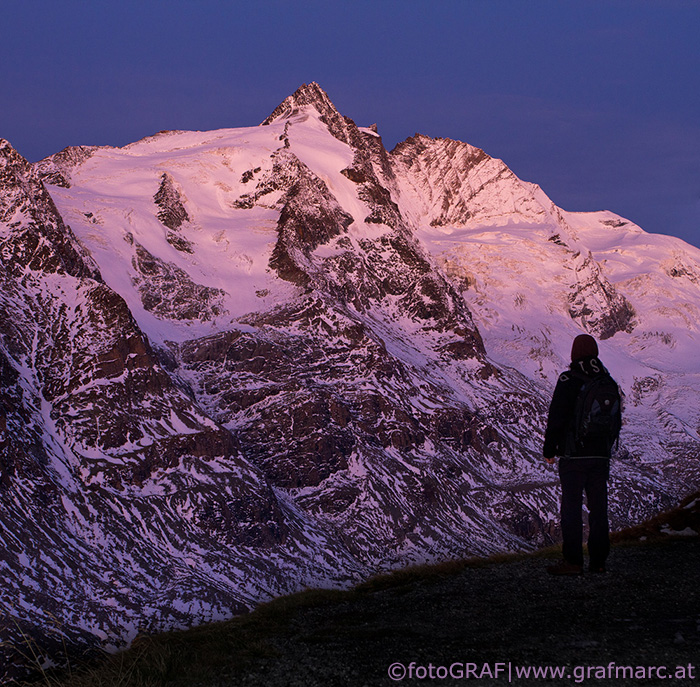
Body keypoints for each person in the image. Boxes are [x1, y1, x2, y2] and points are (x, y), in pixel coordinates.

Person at [543, 333, 620, 575]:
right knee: (599, 508)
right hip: (601, 456)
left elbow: (557, 416)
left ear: (574, 353)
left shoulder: (569, 378)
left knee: (572, 508)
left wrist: (550, 450)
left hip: (574, 456)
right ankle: (599, 562)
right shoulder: (607, 379)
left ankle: (573, 562)